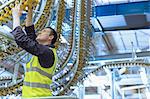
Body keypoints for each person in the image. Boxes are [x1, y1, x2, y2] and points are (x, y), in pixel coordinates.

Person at [11, 3, 57, 98]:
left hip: (38, 97)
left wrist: (16, 17)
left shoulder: (47, 53)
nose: (40, 32)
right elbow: (30, 34)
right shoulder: (44, 51)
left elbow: (22, 40)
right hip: (34, 96)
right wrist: (30, 9)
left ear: (50, 37)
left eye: (44, 31)